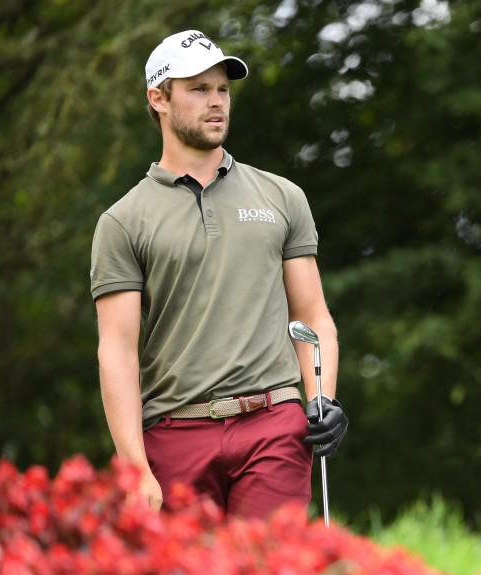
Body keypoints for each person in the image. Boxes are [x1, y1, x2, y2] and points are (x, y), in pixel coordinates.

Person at [90, 29, 348, 519]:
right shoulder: (122, 221)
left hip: (273, 425)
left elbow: (313, 319)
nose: (216, 103)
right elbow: (116, 351)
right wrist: (135, 468)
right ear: (158, 98)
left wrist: (322, 400)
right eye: (198, 89)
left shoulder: (282, 197)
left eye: (223, 90)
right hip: (174, 435)